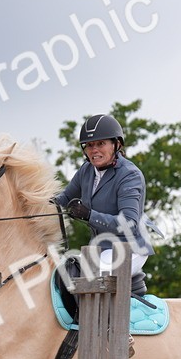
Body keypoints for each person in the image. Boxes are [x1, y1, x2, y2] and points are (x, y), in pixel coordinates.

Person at [53, 113, 158, 296]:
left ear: (116, 144)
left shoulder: (129, 175)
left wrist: (89, 215)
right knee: (62, 273)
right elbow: (63, 199)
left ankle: (103, 323)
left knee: (89, 279)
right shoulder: (87, 170)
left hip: (129, 248)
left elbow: (129, 224)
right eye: (90, 145)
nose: (94, 150)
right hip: (100, 248)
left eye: (101, 144)